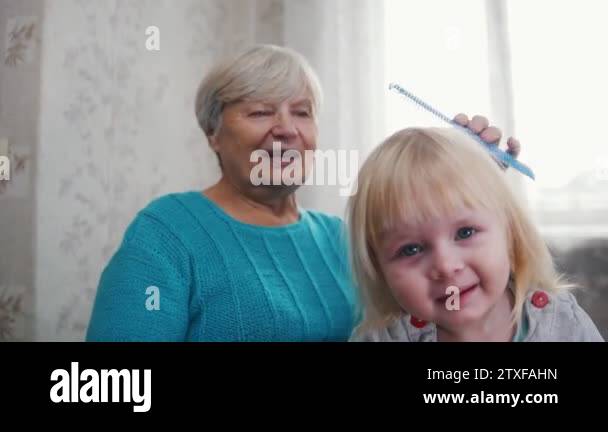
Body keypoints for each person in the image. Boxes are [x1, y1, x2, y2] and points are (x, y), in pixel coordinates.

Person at [86, 44, 521, 341]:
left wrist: (475, 185)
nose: (286, 128)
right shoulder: (166, 234)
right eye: (259, 111)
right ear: (213, 134)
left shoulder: (343, 238)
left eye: (302, 112)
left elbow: (451, 306)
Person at [347, 127, 604, 342]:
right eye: (411, 249)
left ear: (511, 232)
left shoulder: (561, 323)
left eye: (465, 232)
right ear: (378, 269)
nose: (446, 267)